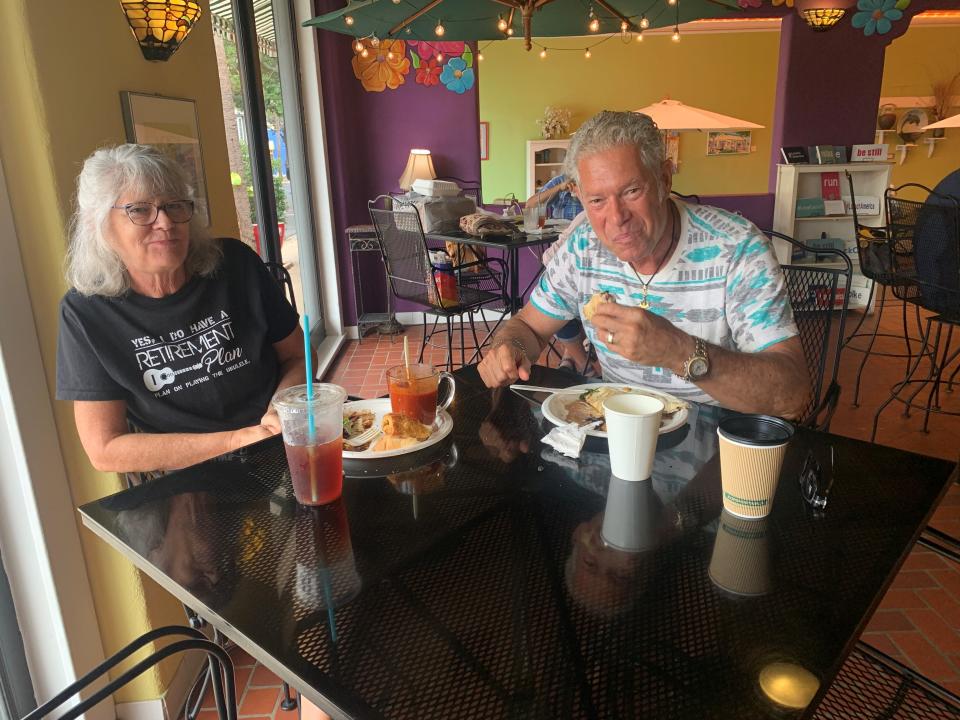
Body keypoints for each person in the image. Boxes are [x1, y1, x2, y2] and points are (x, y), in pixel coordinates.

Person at [480, 111, 810, 420]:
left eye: (632, 191)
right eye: (597, 201)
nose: (617, 218)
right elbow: (529, 327)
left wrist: (679, 351)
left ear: (664, 179)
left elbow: (793, 395)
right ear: (579, 196)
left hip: (717, 447)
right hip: (614, 437)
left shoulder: (737, 249)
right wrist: (510, 347)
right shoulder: (583, 246)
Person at [57, 144, 307, 476]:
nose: (165, 222)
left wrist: (281, 410)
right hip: (189, 479)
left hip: (282, 444)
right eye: (140, 210)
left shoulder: (234, 263)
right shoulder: (85, 312)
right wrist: (234, 441)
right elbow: (104, 449)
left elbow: (298, 356)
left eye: (174, 206)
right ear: (99, 224)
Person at [525, 175, 594, 374]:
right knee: (558, 292)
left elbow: (548, 257)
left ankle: (579, 362)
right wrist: (561, 187)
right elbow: (531, 204)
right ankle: (573, 358)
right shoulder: (560, 181)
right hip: (567, 245)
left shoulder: (590, 217)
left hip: (580, 247)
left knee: (559, 298)